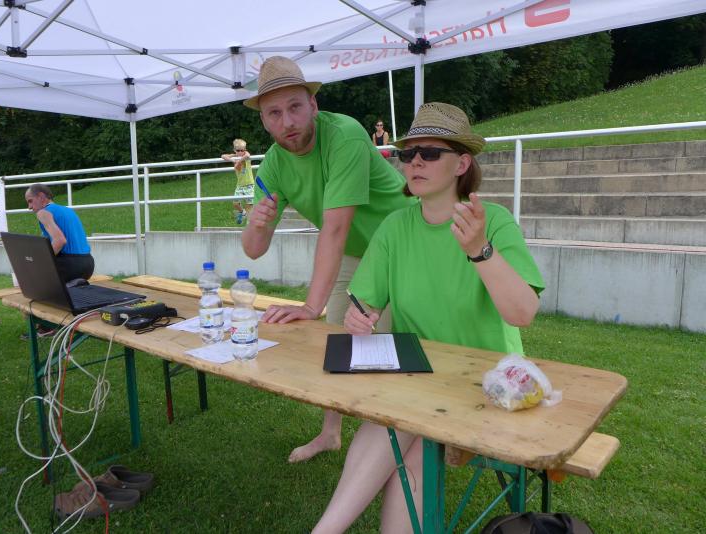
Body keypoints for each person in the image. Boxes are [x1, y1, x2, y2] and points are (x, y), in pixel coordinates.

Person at [312, 102, 545, 533]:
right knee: (403, 427)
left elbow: (523, 313)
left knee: (406, 433)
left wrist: (479, 250)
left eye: (430, 153)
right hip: (416, 377)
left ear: (462, 163)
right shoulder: (394, 227)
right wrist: (359, 320)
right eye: (408, 153)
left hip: (488, 383)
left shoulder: (493, 222)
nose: (415, 162)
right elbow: (362, 306)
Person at [241, 56, 416, 463]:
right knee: (337, 343)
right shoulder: (273, 163)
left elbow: (334, 228)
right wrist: (257, 222)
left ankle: (397, 441)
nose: (288, 121)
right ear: (264, 121)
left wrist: (310, 306)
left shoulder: (345, 135)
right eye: (275, 113)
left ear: (314, 105)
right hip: (357, 250)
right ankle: (331, 433)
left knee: (385, 348)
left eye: (295, 107)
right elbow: (253, 248)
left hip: (403, 245)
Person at [24, 183, 94, 283]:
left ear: (41, 197)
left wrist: (40, 263)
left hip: (69, 265)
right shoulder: (68, 210)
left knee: (30, 278)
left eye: (30, 201)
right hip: (88, 264)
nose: (29, 207)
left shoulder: (43, 212)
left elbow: (60, 240)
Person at [221, 138, 255, 225]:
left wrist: (239, 161)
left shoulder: (246, 156)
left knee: (249, 204)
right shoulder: (235, 156)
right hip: (240, 185)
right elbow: (223, 156)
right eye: (238, 150)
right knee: (235, 203)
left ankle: (249, 222)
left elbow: (247, 155)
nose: (240, 152)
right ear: (234, 150)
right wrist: (233, 160)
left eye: (242, 150)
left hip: (249, 184)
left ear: (244, 149)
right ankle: (242, 212)